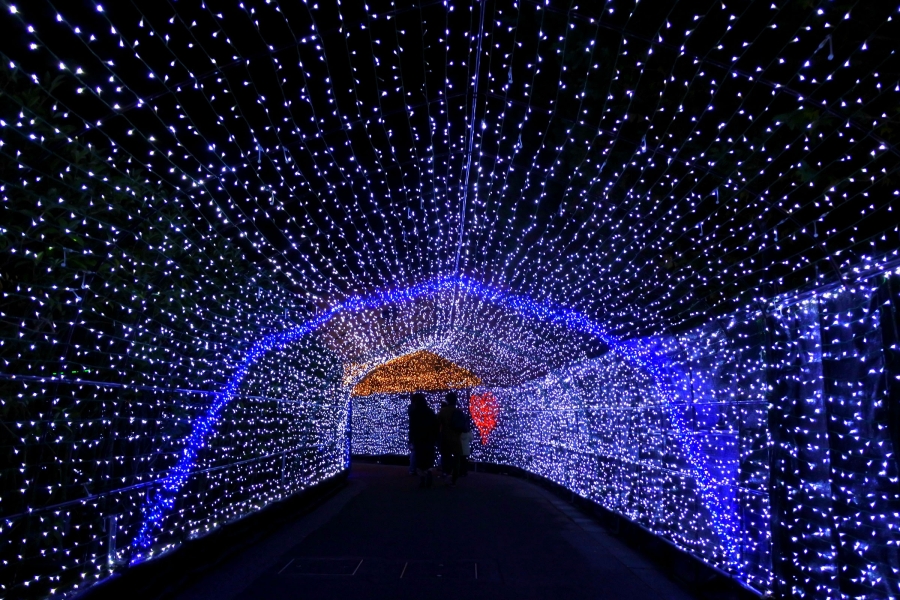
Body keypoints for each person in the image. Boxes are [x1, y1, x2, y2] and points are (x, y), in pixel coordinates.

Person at [437, 392, 470, 486]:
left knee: (446, 457)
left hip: (445, 438)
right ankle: (454, 477)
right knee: (457, 458)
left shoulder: (443, 411)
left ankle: (447, 474)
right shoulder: (458, 411)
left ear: (447, 400)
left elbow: (437, 424)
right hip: (456, 438)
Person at [408, 392, 438, 488]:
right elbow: (435, 426)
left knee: (420, 458)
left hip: (419, 438)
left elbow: (412, 427)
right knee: (428, 457)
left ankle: (422, 478)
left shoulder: (414, 413)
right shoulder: (430, 412)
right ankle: (428, 471)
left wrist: (411, 439)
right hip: (429, 438)